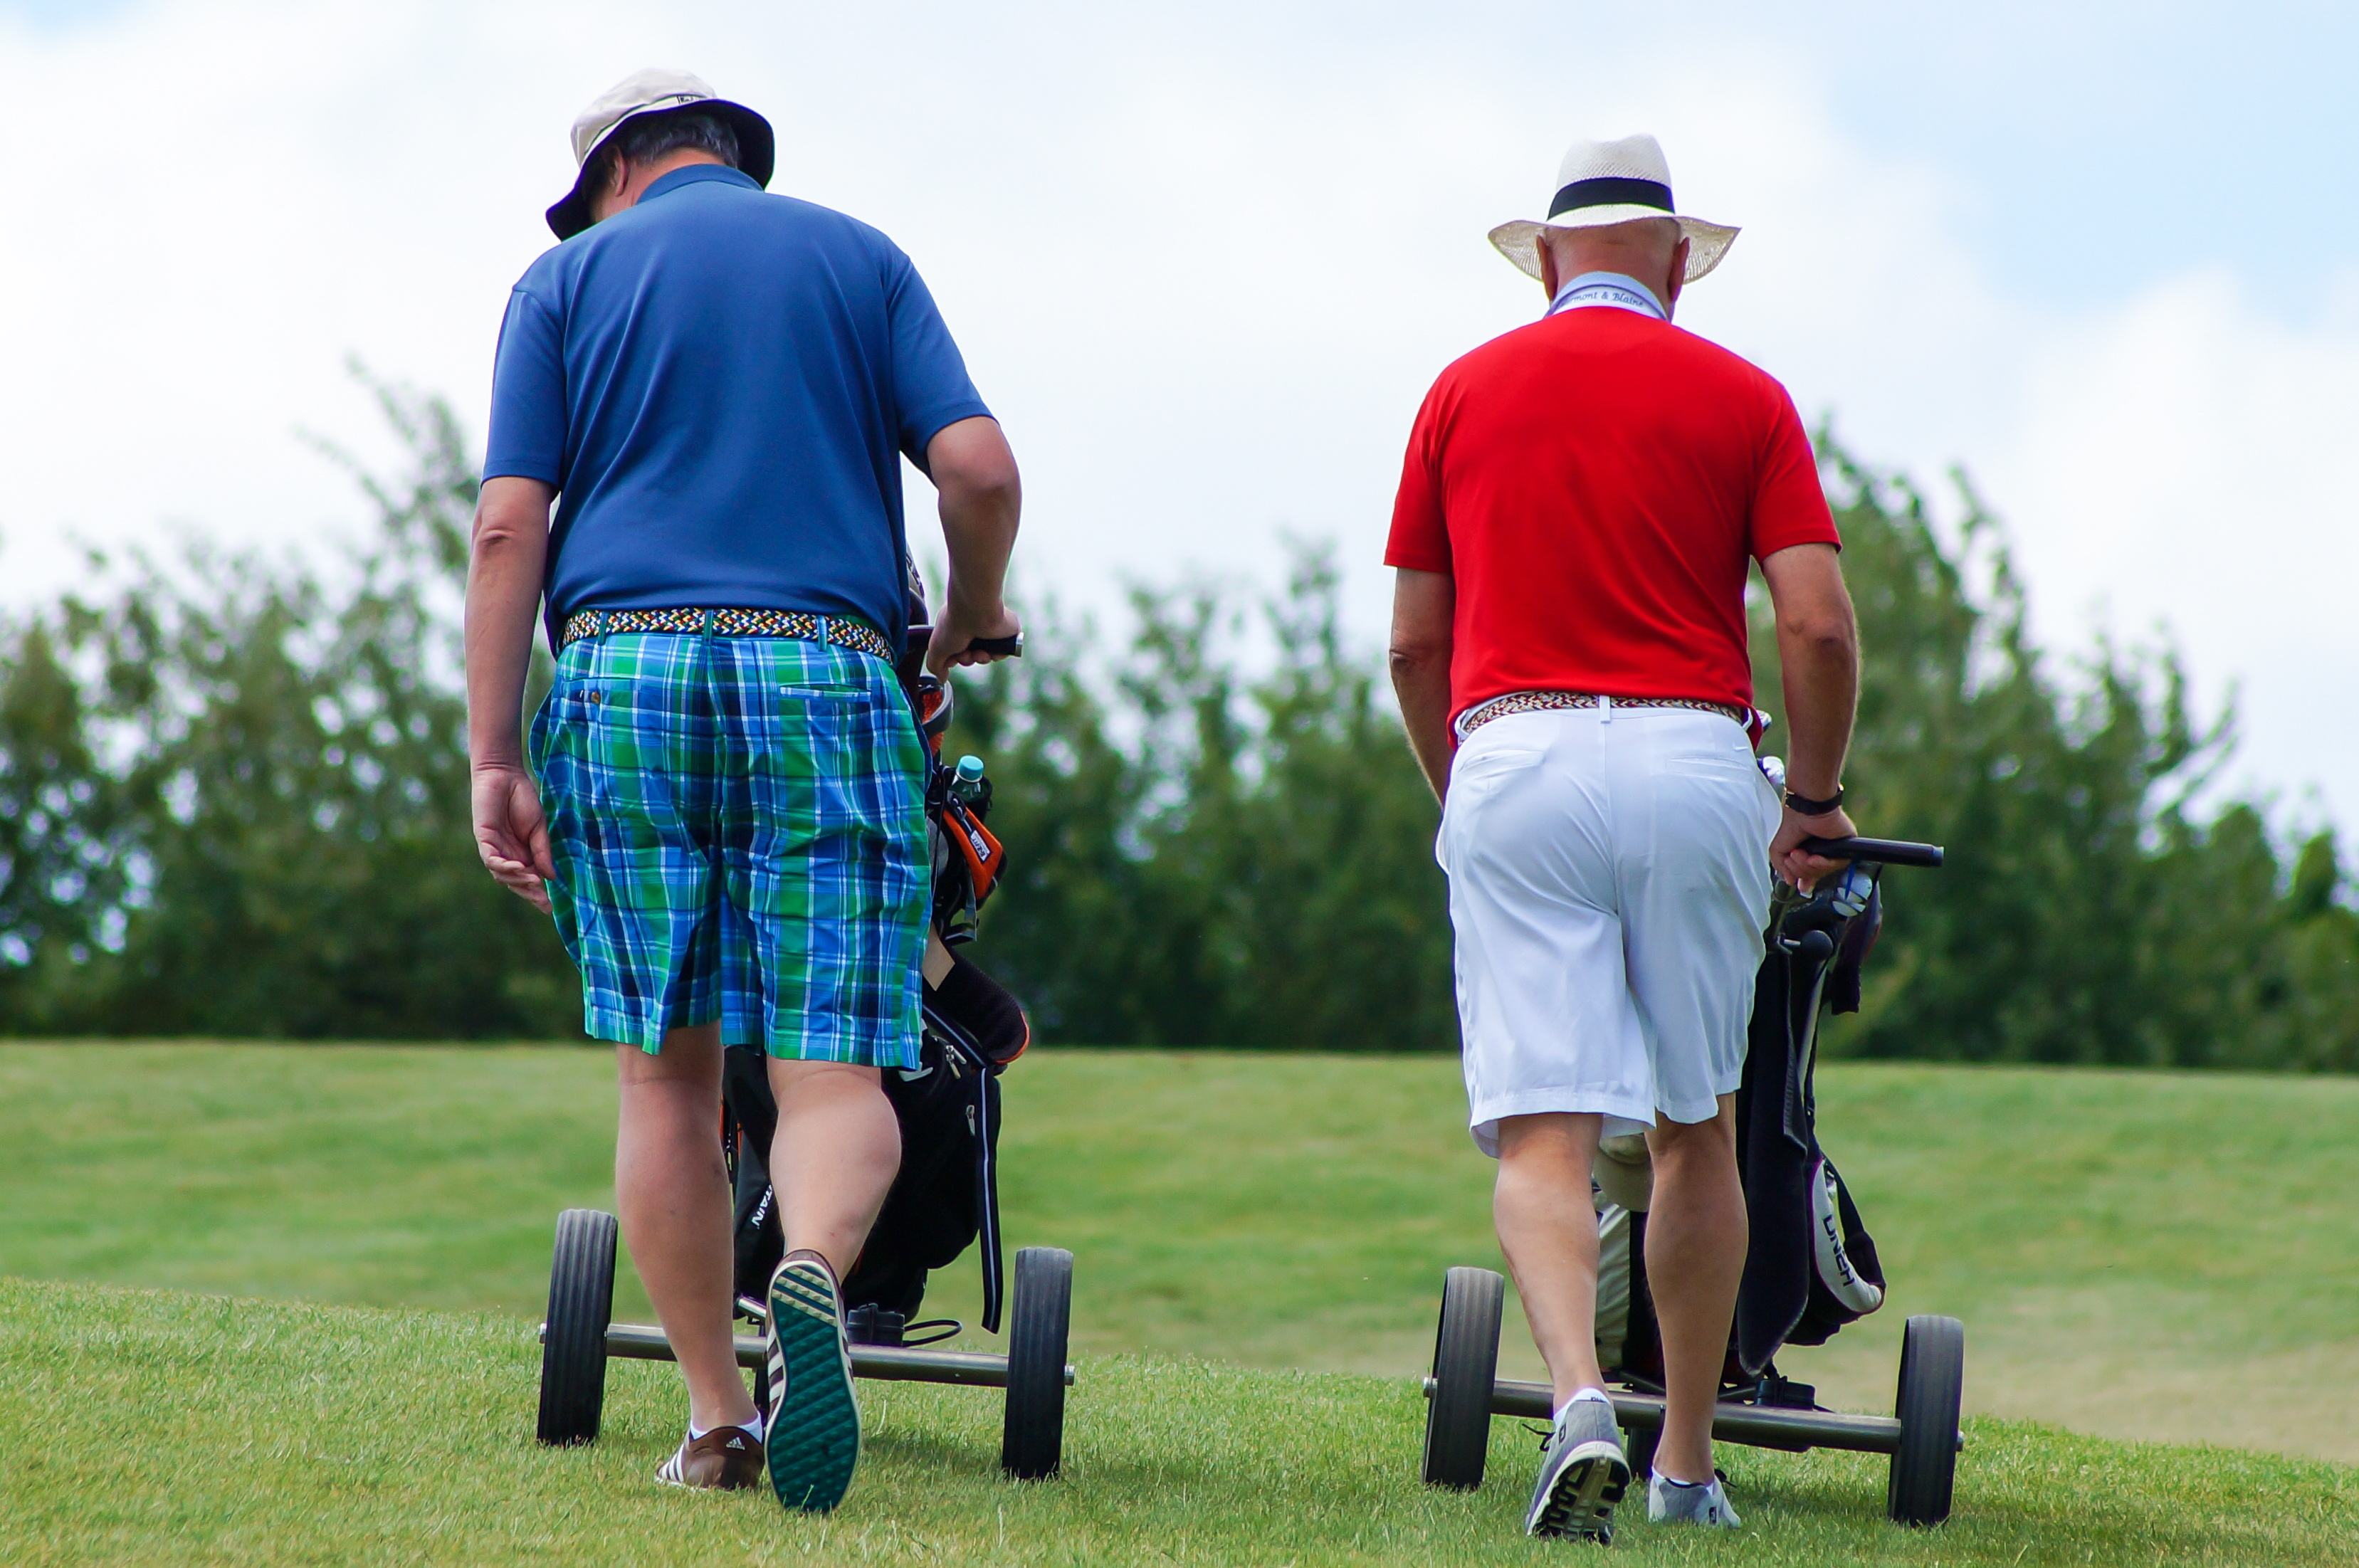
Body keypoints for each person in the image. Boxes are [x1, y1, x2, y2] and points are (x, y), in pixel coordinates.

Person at [464, 69, 1020, 1512]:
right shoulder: (857, 258)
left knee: (667, 1075)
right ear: (730, 158)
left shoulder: (563, 282)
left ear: (611, 175)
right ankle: (814, 1272)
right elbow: (976, 469)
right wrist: (971, 612)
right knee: (832, 1064)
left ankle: (718, 1419)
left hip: (626, 672)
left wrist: (495, 753)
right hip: (825, 670)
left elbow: (509, 525)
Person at [1385, 133, 1860, 1542]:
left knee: (1540, 1130)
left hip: (1512, 749)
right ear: (1676, 266)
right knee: (1693, 1124)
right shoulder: (1744, 394)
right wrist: (1812, 800)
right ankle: (1687, 1464)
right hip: (1692, 759)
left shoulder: (1459, 391)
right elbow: (1816, 626)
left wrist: (1462, 794)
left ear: (1544, 259)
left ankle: (1579, 1397)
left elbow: (1413, 644)